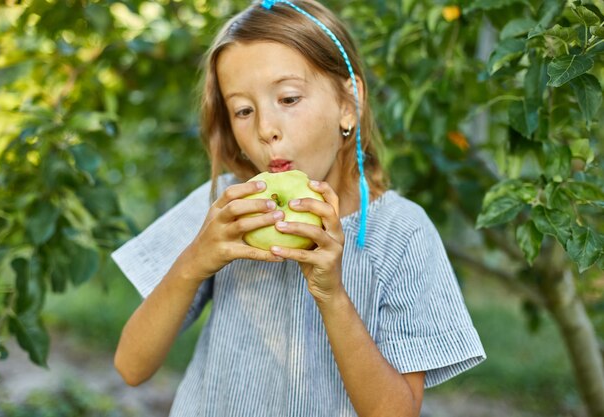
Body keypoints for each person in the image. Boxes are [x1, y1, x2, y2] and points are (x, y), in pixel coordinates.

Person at [111, 1, 486, 416]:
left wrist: (332, 295)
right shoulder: (226, 206)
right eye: (243, 110)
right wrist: (195, 260)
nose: (265, 129)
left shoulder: (401, 234)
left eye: (288, 98)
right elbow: (131, 366)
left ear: (349, 103)